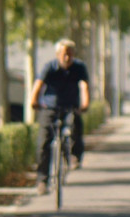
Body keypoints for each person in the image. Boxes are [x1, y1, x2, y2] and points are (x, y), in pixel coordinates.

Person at [29, 38, 90, 195]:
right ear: (58, 54)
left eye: (70, 54)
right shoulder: (49, 67)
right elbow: (38, 84)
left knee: (76, 124)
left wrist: (85, 103)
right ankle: (42, 180)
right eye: (64, 54)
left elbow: (84, 86)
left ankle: (75, 155)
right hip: (50, 108)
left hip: (70, 107)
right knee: (44, 142)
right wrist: (34, 100)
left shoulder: (79, 67)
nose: (67, 57)